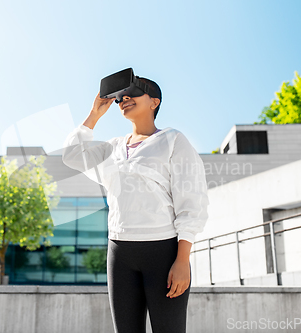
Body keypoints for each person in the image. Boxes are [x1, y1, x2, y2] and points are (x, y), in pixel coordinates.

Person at [62, 74, 209, 333]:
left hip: (163, 252)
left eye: (132, 93)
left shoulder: (173, 140)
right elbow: (73, 155)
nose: (123, 99)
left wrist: (182, 259)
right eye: (119, 97)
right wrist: (94, 114)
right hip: (119, 251)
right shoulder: (113, 147)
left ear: (154, 102)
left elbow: (192, 201)